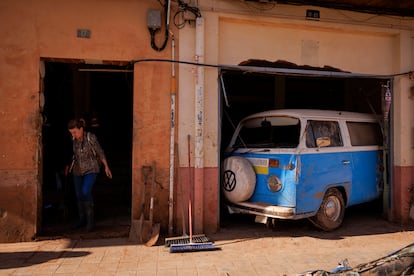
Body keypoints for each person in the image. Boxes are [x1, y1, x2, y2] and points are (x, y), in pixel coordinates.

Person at [67, 118, 112, 231]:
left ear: (81, 129)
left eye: (75, 132)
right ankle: (82, 220)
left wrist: (106, 166)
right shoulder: (73, 139)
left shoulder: (90, 137)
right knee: (79, 195)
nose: (74, 134)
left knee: (85, 191)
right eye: (71, 132)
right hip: (77, 170)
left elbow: (100, 151)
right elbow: (71, 153)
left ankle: (90, 221)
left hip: (91, 169)